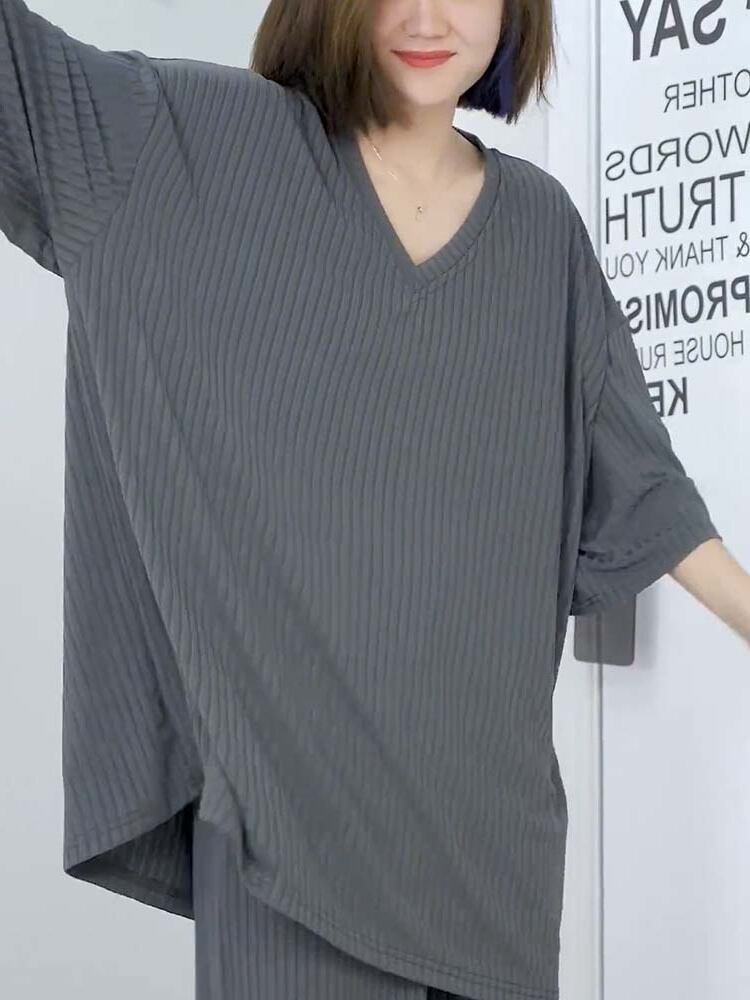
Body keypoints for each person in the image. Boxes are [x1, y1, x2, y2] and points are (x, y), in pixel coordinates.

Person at [0, 1, 733, 999]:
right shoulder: (181, 142)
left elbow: (646, 488)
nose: (427, 16)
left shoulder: (540, 229)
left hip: (496, 869)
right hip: (290, 855)